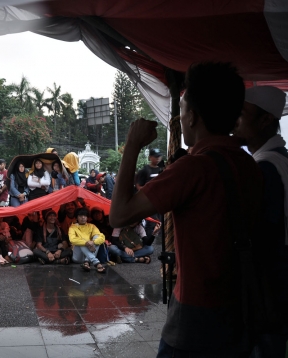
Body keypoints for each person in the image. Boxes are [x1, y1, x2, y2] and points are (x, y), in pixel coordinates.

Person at [110, 62, 263, 356]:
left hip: (195, 311)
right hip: (239, 304)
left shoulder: (192, 169)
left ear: (192, 117)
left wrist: (131, 145)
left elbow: (119, 215)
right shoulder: (250, 165)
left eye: (181, 109)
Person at [233, 85, 288, 358]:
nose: (235, 120)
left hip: (272, 289)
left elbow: (262, 238)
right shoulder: (278, 160)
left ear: (266, 119)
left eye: (242, 113)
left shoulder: (265, 167)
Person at [135, 148, 163, 236]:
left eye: (159, 156)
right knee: (151, 222)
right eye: (155, 157)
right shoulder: (145, 170)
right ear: (150, 157)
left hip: (161, 201)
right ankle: (147, 242)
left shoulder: (162, 169)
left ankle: (161, 242)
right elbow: (139, 186)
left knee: (162, 222)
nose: (158, 158)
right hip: (149, 202)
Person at [69, 208, 106, 273]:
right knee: (81, 241)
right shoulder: (72, 227)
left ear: (87, 217)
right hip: (78, 257)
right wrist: (86, 243)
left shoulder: (92, 226)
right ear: (77, 217)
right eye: (80, 216)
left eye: (85, 216)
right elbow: (72, 240)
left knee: (97, 237)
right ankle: (96, 263)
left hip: (89, 256)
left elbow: (102, 237)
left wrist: (93, 242)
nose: (83, 217)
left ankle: (87, 262)